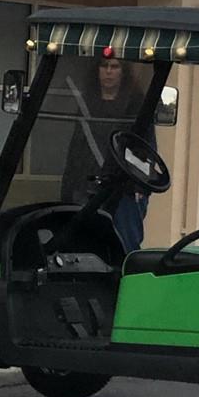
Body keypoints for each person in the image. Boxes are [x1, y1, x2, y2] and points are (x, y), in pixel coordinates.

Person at [61, 56, 150, 253]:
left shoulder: (136, 106)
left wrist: (140, 186)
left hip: (124, 188)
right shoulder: (86, 104)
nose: (109, 71)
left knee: (125, 244)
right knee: (81, 244)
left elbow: (146, 148)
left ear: (123, 72)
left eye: (114, 66)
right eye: (104, 66)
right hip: (87, 186)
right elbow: (76, 149)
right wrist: (68, 185)